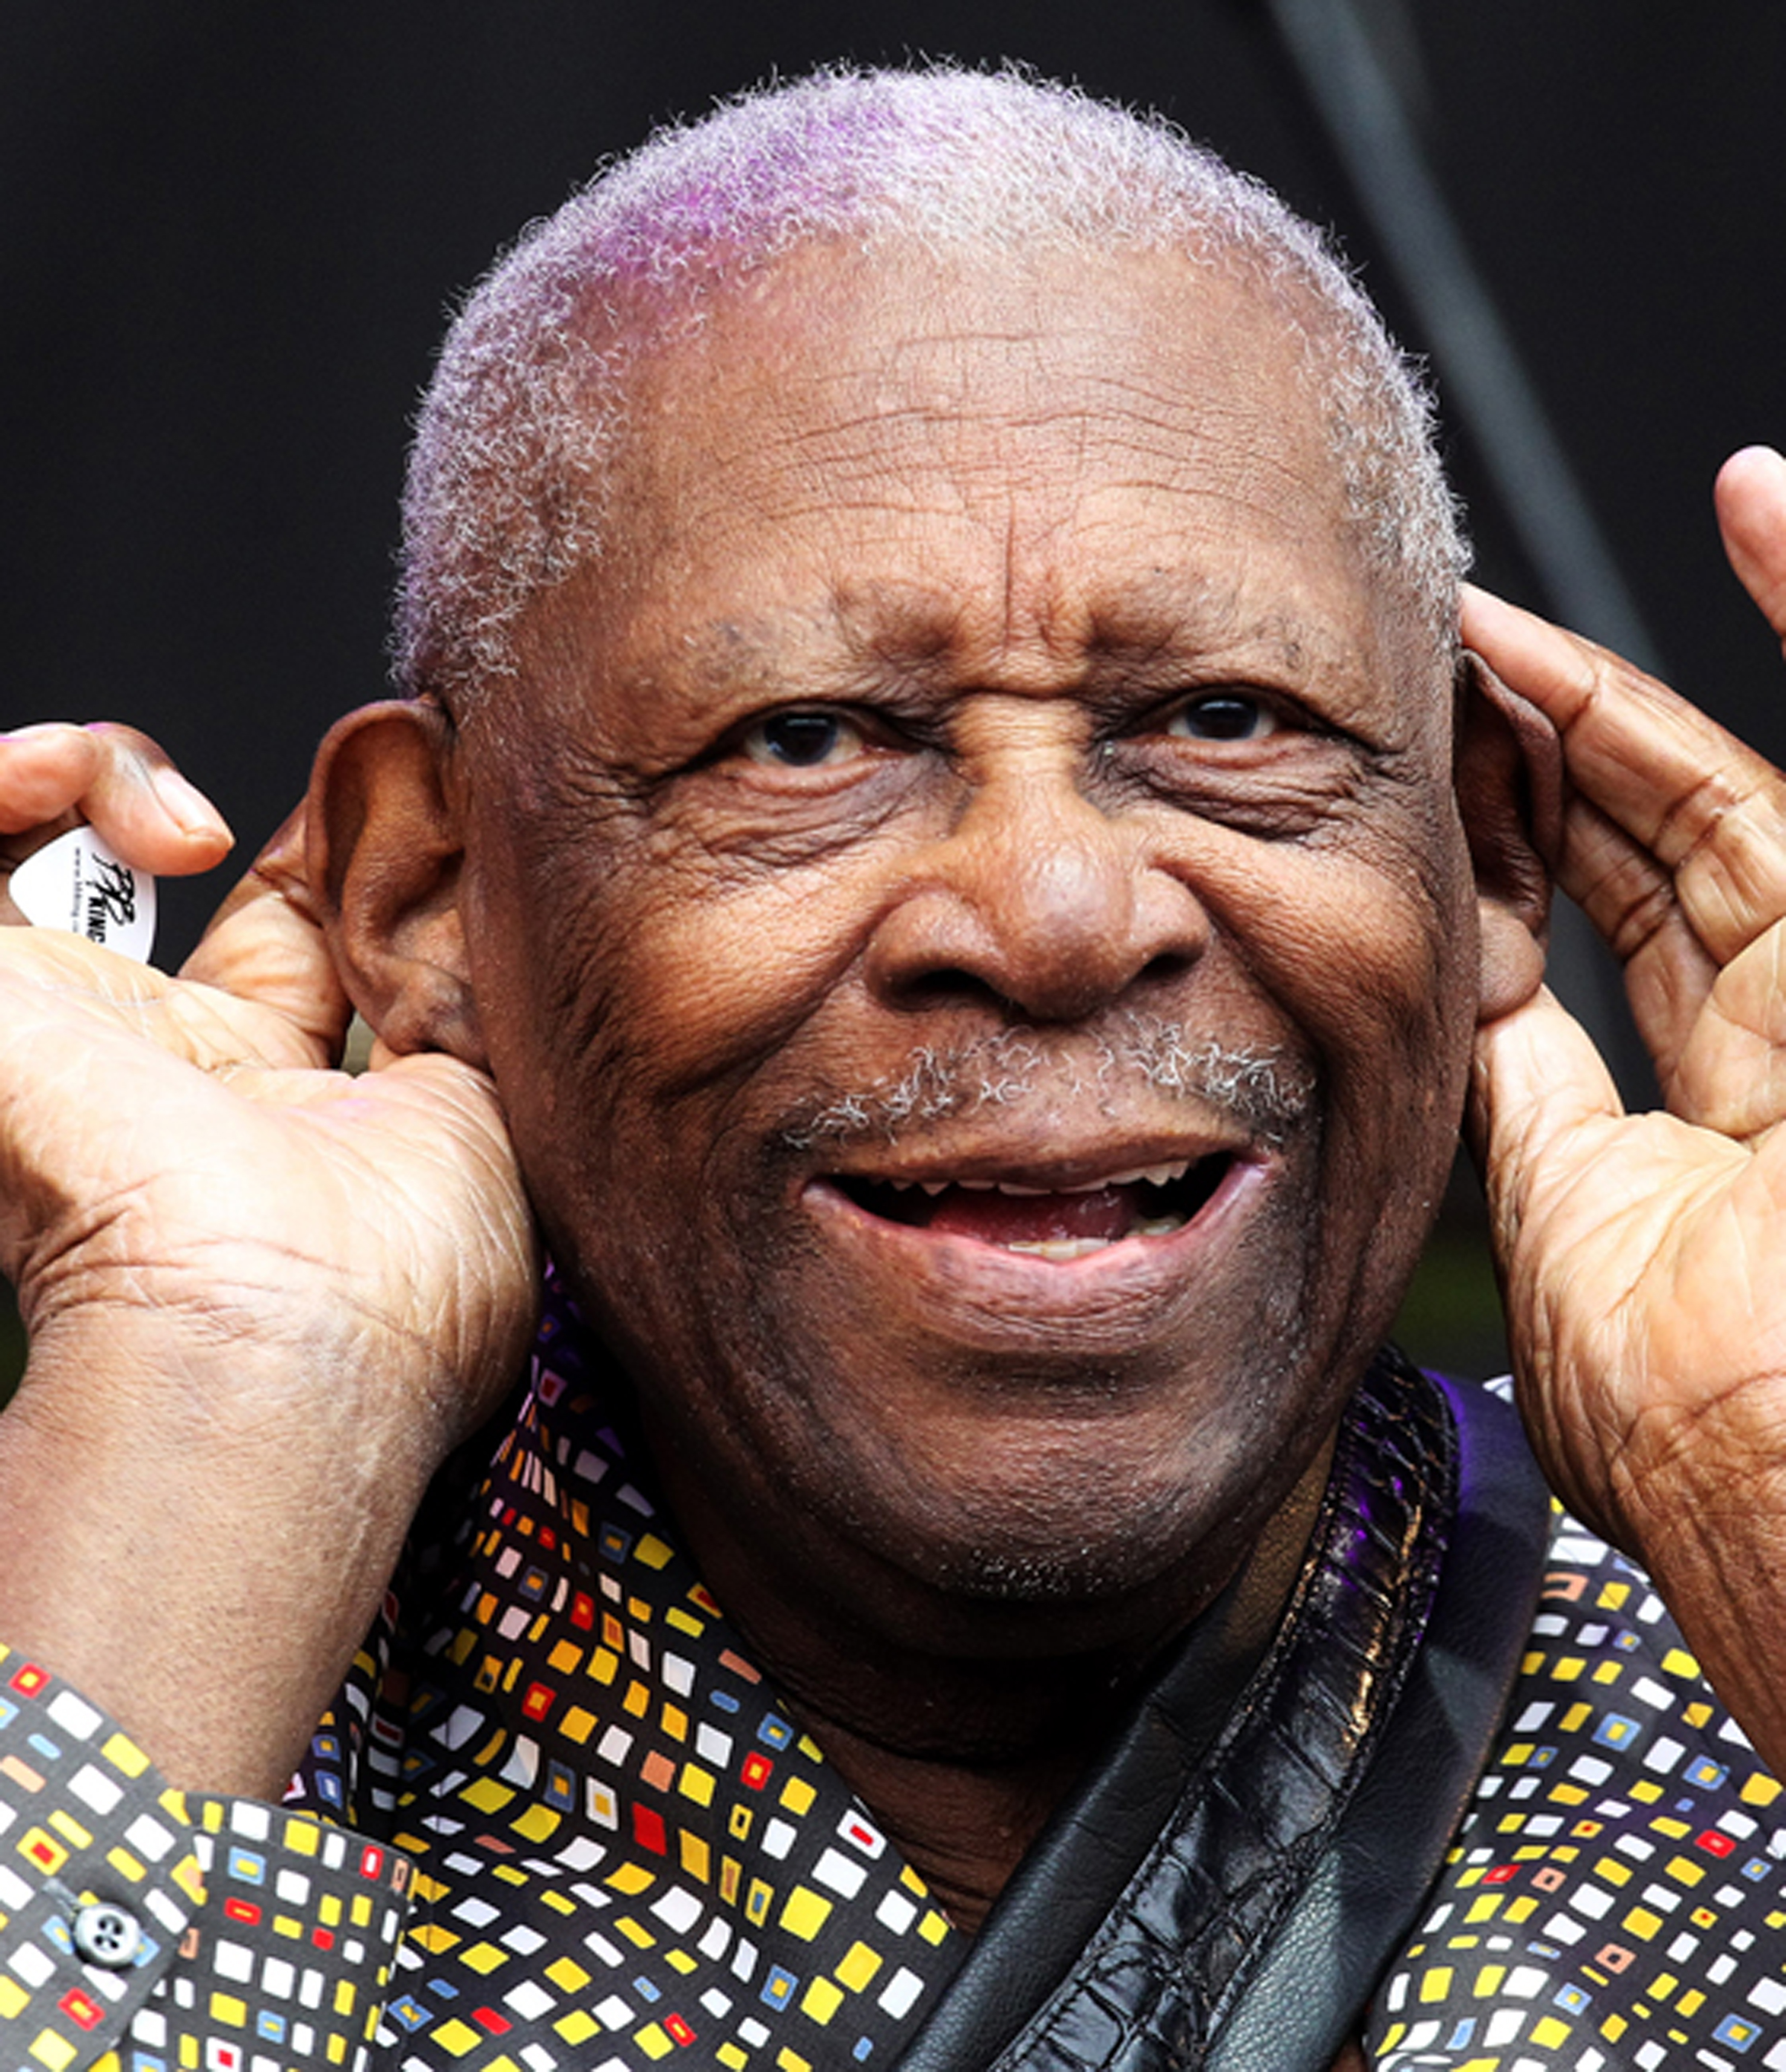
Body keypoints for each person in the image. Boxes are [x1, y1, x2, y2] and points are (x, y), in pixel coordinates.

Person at [4, 65, 1786, 2072]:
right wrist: (218, 1368)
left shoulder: (1728, 1676)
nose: (1049, 914)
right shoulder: (141, 1694)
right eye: (809, 741)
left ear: (1474, 842)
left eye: (1220, 713)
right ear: (430, 893)